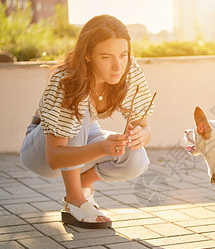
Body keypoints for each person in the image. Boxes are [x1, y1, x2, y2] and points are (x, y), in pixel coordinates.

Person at [20, 15, 154, 229]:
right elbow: (54, 158)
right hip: (40, 151)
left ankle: (84, 183)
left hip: (82, 132)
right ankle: (74, 200)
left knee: (136, 158)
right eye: (106, 57)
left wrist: (140, 135)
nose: (117, 66)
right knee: (79, 109)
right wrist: (103, 148)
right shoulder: (67, 82)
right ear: (88, 55)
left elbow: (145, 127)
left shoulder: (127, 71)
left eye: (123, 54)